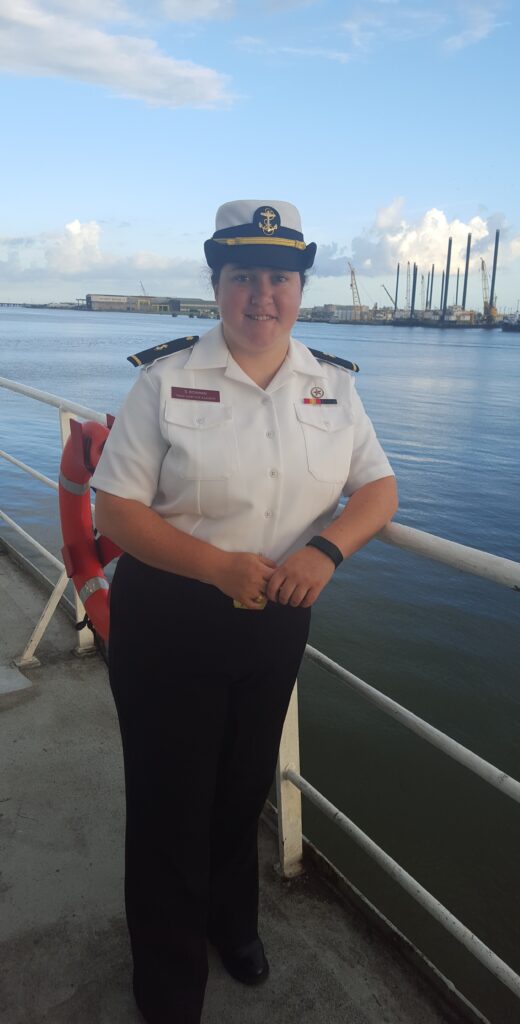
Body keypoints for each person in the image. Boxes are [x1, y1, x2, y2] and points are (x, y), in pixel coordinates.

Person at [92, 199, 398, 1024]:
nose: (262, 295)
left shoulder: (331, 386)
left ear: (300, 287)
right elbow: (114, 510)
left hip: (276, 617)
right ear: (217, 284)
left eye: (279, 278)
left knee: (238, 789)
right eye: (243, 278)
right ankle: (167, 973)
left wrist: (325, 551)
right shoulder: (165, 378)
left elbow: (378, 489)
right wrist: (217, 566)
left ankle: (234, 924)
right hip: (171, 616)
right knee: (168, 802)